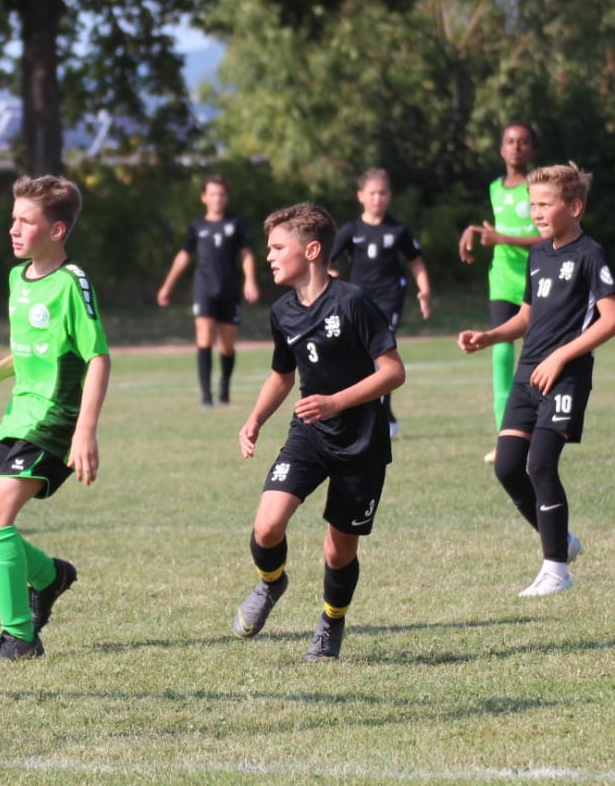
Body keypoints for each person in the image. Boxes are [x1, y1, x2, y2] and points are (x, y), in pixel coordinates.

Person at [0, 175, 110, 661]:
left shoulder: (72, 283)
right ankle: (47, 575)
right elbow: (31, 347)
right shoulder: (18, 279)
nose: (13, 229)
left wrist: (85, 430)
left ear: (57, 230)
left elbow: (97, 357)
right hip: (17, 416)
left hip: (56, 419)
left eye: (25, 221)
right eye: (13, 219)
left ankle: (19, 637)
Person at [232, 203, 405, 661]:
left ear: (311, 251)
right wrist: (254, 420)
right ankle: (271, 582)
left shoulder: (353, 301)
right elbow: (282, 376)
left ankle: (331, 622)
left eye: (277, 247)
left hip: (361, 440)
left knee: (337, 551)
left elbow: (393, 372)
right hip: (309, 433)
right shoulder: (282, 311)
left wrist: (335, 401)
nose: (268, 256)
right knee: (267, 525)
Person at [457, 163, 615, 596]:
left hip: (565, 376)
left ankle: (556, 571)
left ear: (575, 206)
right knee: (509, 466)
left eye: (545, 204)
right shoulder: (538, 254)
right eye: (533, 205)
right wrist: (489, 335)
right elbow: (528, 317)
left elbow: (612, 321)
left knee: (541, 464)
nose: (536, 212)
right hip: (529, 374)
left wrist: (562, 356)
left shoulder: (590, 254)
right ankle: (561, 540)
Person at [460, 122, 541, 462]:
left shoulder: (538, 186)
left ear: (531, 150)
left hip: (537, 277)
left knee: (536, 356)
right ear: (501, 149)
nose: (516, 147)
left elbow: (547, 237)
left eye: (523, 142)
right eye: (510, 141)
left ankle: (542, 430)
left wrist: (502, 239)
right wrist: (474, 230)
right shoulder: (495, 188)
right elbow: (500, 228)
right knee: (500, 354)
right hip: (503, 279)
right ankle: (504, 438)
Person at [330, 168, 431, 438]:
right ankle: (365, 413)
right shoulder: (351, 229)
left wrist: (424, 291)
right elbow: (326, 258)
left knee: (382, 357)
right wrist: (330, 272)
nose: (378, 198)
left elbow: (416, 262)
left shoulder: (398, 229)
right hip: (357, 301)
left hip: (389, 299)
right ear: (361, 196)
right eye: (372, 193)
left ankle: (383, 416)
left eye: (383, 193)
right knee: (357, 356)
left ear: (390, 196)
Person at [156, 175, 260, 408]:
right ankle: (206, 396)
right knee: (203, 339)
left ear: (227, 197)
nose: (217, 199)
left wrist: (250, 281)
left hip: (229, 289)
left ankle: (224, 386)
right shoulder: (197, 226)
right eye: (212, 194)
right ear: (204, 197)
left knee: (227, 344)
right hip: (204, 288)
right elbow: (184, 256)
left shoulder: (236, 223)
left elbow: (246, 254)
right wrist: (167, 286)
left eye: (221, 194)